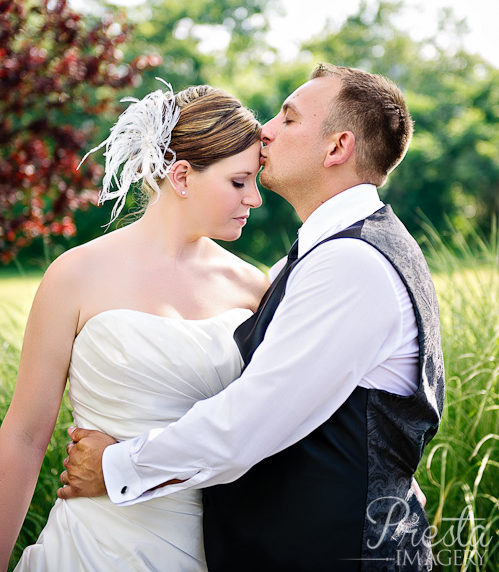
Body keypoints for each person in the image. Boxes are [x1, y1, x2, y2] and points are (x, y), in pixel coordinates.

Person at [60, 63, 445, 571]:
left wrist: (115, 466)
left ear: (337, 148)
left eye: (288, 118)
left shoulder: (353, 264)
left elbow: (249, 421)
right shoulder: (311, 259)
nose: (265, 129)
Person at [0, 82, 268, 572]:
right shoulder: (76, 274)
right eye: (239, 181)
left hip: (214, 546)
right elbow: (24, 435)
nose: (254, 198)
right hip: (89, 547)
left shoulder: (253, 287)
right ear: (182, 175)